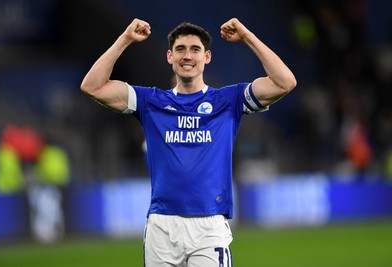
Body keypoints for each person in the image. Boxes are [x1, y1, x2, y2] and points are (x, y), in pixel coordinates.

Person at [81, 17, 296, 267]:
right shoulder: (150, 101)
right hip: (162, 226)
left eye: (195, 49)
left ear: (207, 57)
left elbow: (285, 82)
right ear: (169, 57)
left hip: (208, 226)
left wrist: (247, 36)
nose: (187, 56)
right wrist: (125, 39)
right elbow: (92, 86)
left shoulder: (228, 100)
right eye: (180, 49)